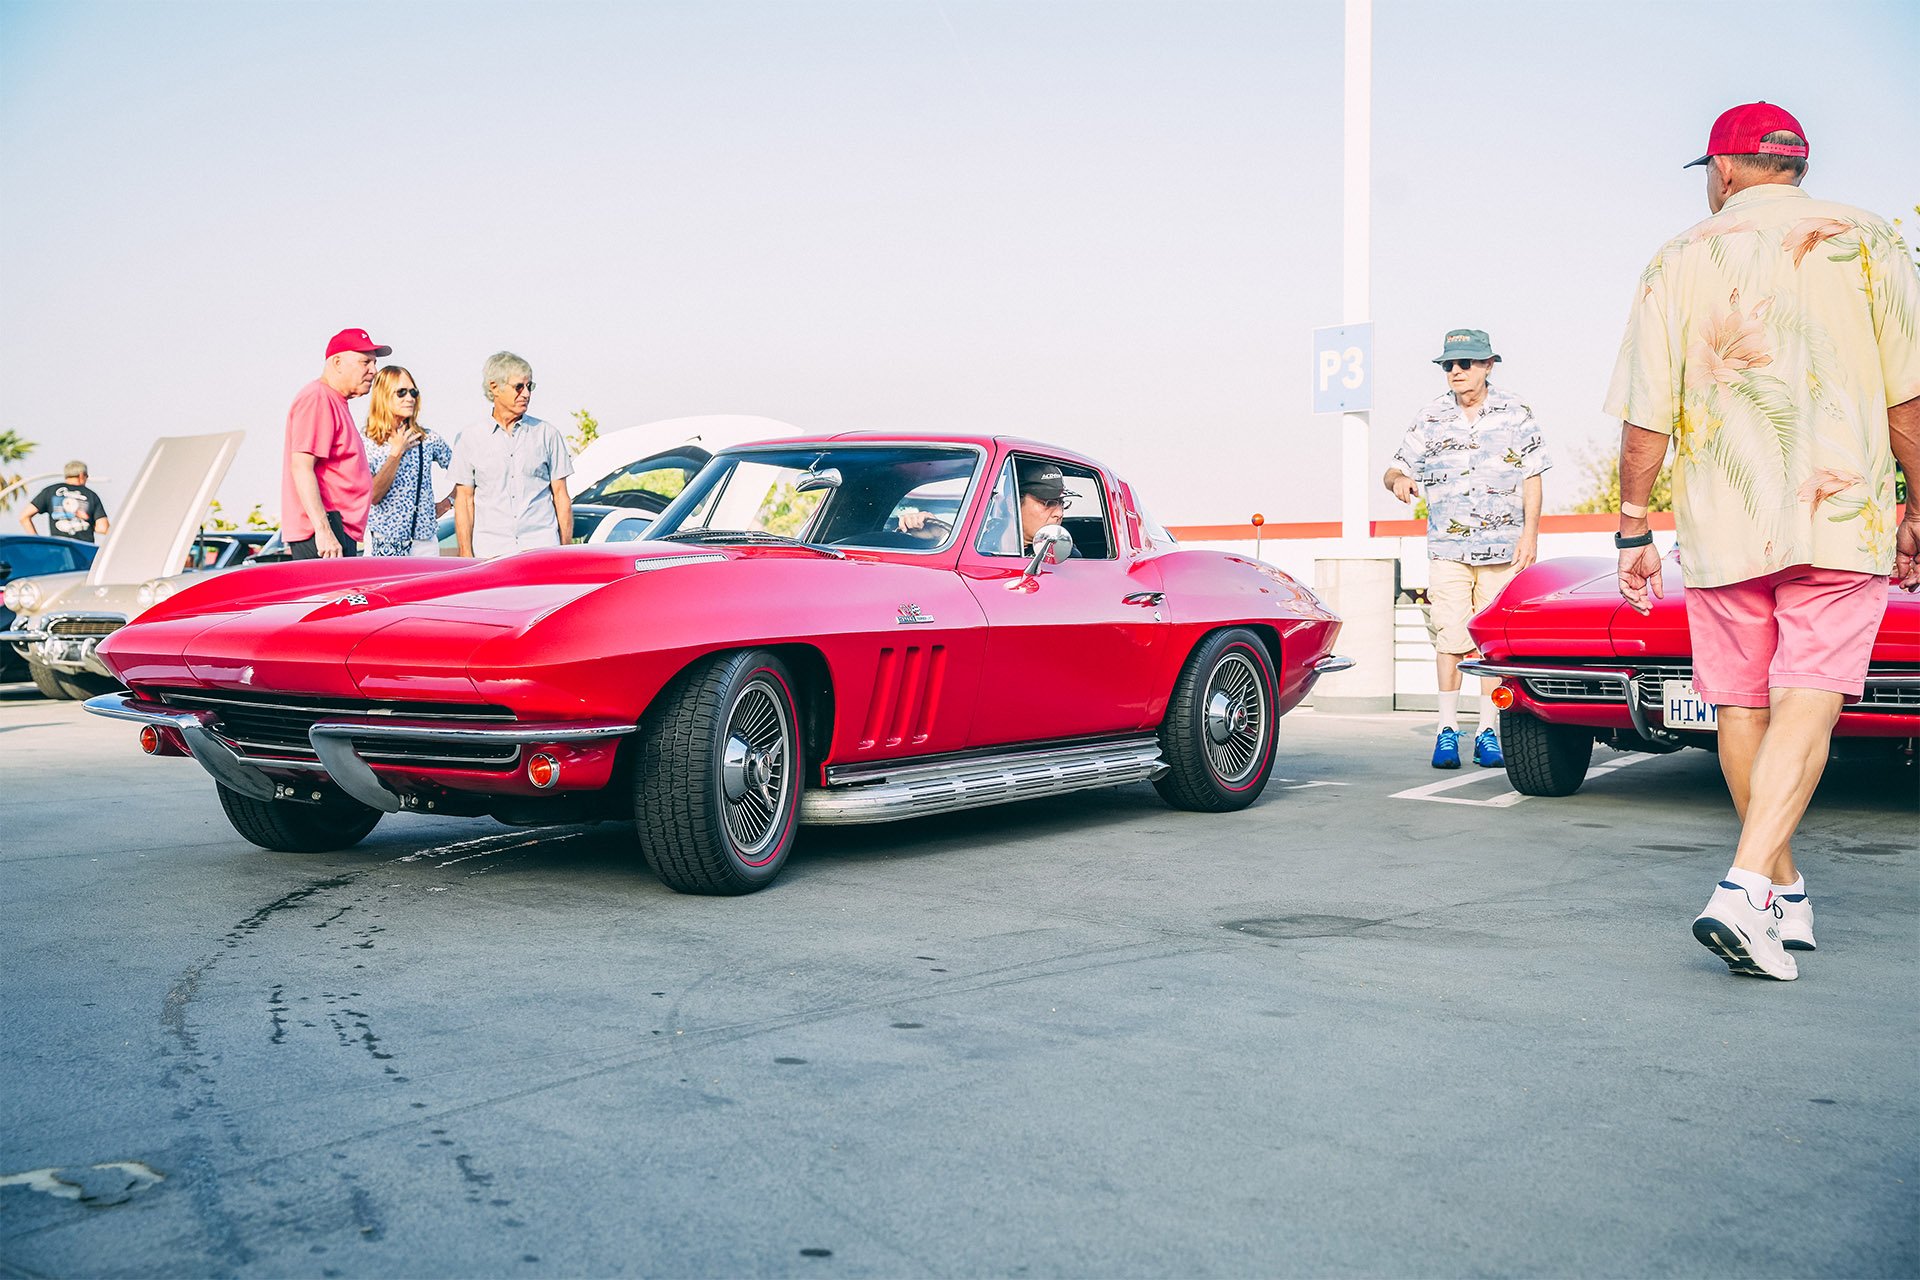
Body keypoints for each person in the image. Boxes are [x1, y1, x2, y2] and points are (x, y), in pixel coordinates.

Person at [1607, 101, 1920, 982]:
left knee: (1742, 704)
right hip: (1841, 511)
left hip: (1723, 517)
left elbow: (1644, 412)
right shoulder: (1869, 240)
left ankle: (1761, 891)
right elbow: (1909, 399)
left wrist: (1633, 526)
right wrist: (1918, 508)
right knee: (1810, 692)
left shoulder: (1679, 255)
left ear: (1729, 168)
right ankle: (1766, 885)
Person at [1385, 329, 1547, 770]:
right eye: (1448, 365)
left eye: (1465, 364)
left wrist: (1530, 535)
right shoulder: (1431, 416)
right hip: (1448, 549)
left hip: (1503, 548)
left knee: (1490, 645)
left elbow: (1533, 476)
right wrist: (1399, 480)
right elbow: (1395, 467)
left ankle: (1488, 730)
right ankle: (1446, 730)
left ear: (1488, 365)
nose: (1455, 372)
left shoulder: (1516, 413)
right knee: (1452, 638)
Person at [450, 351, 572, 558]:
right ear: (494, 387)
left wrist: (565, 551)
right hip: (490, 552)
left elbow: (561, 496)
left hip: (541, 548)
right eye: (519, 387)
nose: (526, 394)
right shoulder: (469, 438)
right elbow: (464, 500)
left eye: (529, 386)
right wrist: (465, 553)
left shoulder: (547, 434)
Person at [281, 328, 388, 559]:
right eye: (365, 362)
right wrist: (323, 530)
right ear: (337, 362)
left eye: (374, 363)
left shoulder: (334, 401)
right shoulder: (318, 397)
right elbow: (301, 466)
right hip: (326, 533)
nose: (374, 370)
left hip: (338, 529)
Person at [361, 366, 452, 557]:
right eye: (401, 393)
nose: (409, 398)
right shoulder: (366, 441)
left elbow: (467, 473)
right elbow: (373, 496)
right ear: (384, 396)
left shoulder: (427, 439)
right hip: (383, 540)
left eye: (413, 392)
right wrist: (396, 453)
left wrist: (447, 503)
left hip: (425, 543)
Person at [973, 460, 1080, 558]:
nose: (1059, 513)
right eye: (1048, 503)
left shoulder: (1065, 556)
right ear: (1012, 504)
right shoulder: (979, 543)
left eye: (1062, 503)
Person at [18, 461, 109, 542]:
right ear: (81, 475)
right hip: (84, 550)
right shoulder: (91, 495)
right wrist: (86, 524)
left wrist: (37, 541)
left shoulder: (49, 491)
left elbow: (24, 517)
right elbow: (103, 528)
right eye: (87, 477)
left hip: (59, 549)